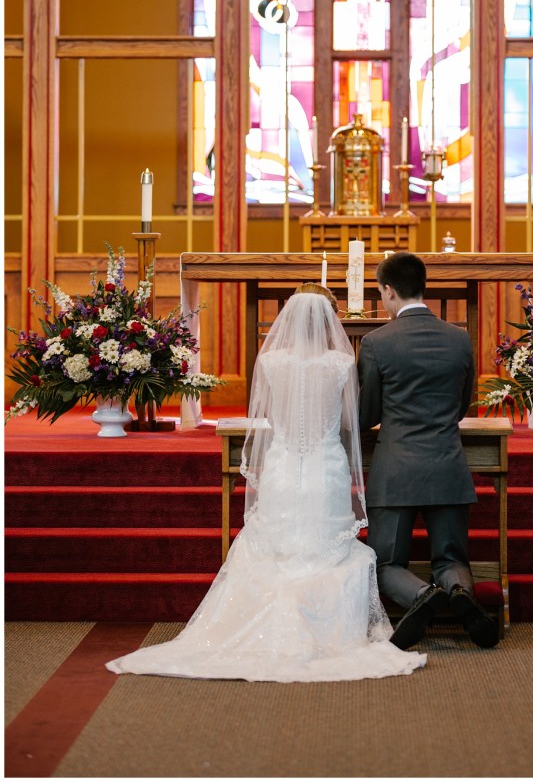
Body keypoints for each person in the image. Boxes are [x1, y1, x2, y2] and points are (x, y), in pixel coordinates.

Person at [106, 283, 426, 682]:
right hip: (325, 467)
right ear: (328, 320)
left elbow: (271, 418)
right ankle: (322, 630)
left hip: (283, 464)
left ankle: (258, 626)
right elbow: (350, 423)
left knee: (276, 550)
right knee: (325, 552)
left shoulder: (271, 361)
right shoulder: (340, 364)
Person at [357, 252, 499, 651]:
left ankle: (422, 596)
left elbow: (367, 414)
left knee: (384, 563)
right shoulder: (459, 339)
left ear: (387, 290)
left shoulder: (376, 342)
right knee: (453, 559)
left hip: (396, 468)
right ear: (424, 287)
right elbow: (462, 405)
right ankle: (458, 592)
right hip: (448, 464)